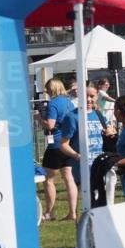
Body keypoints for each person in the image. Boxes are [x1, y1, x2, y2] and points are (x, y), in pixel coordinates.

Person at [58, 84, 118, 203]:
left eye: (92, 96)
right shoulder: (72, 117)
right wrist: (77, 156)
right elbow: (63, 144)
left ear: (97, 97)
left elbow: (110, 134)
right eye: (86, 96)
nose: (89, 100)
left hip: (103, 164)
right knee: (93, 203)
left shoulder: (99, 115)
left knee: (107, 202)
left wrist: (111, 132)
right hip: (85, 167)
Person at [34, 77, 77, 221]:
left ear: (52, 89)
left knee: (49, 179)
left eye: (47, 89)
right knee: (68, 178)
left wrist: (39, 118)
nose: (46, 91)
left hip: (55, 146)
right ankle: (72, 213)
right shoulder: (69, 103)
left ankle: (50, 212)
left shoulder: (53, 103)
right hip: (68, 144)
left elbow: (50, 125)